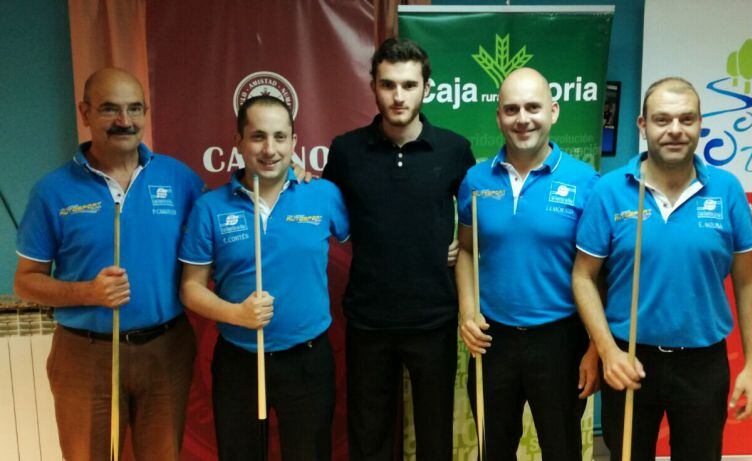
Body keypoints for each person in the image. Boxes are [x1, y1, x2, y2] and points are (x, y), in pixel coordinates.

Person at [13, 68, 204, 460]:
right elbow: (26, 282)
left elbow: (223, 225)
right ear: (85, 113)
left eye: (135, 109)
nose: (125, 121)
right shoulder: (53, 190)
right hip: (86, 355)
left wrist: (292, 175)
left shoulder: (179, 178)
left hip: (165, 349)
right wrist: (87, 292)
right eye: (109, 109)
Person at [573, 77, 752, 460]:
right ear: (642, 126)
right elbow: (583, 276)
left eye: (686, 119)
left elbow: (748, 283)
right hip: (629, 359)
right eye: (662, 120)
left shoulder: (727, 190)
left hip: (702, 363)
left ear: (700, 124)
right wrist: (607, 351)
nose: (675, 130)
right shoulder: (610, 190)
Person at [322, 38, 475, 460]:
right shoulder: (346, 150)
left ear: (427, 87)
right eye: (388, 85)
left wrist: (457, 242)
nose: (398, 95)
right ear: (373, 86)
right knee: (369, 436)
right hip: (369, 320)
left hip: (434, 319)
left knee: (434, 437)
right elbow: (321, 209)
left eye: (409, 85)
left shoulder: (454, 149)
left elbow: (476, 224)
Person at [178, 95, 349, 461]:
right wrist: (235, 314)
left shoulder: (323, 195)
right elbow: (190, 289)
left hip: (307, 360)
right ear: (238, 141)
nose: (270, 149)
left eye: (280, 137)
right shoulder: (210, 207)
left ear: (293, 142)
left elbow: (368, 247)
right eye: (258, 137)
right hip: (240, 360)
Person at [456, 67, 599, 460]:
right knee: (494, 450)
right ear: (498, 116)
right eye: (512, 109)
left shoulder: (586, 182)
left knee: (562, 449)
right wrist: (468, 313)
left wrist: (595, 349)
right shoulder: (474, 180)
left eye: (533, 107)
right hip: (493, 341)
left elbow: (597, 272)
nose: (523, 119)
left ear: (553, 111)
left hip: (561, 341)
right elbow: (466, 249)